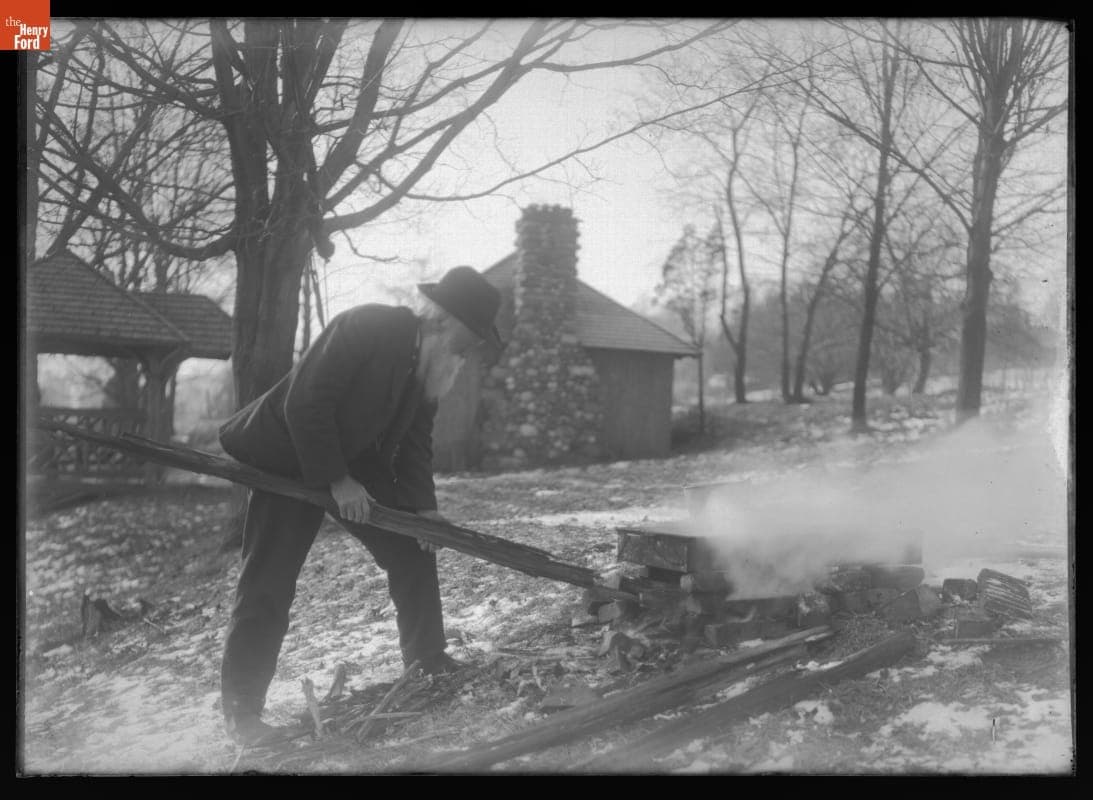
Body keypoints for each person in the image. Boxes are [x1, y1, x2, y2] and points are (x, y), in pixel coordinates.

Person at [216, 265, 503, 746]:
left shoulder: (431, 366)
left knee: (415, 547)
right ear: (442, 319)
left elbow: (415, 442)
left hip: (352, 464)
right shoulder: (368, 326)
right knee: (269, 582)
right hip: (286, 456)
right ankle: (242, 715)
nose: (471, 348)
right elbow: (304, 404)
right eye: (471, 335)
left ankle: (428, 660)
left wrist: (423, 510)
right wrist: (337, 480)